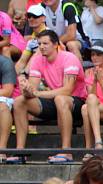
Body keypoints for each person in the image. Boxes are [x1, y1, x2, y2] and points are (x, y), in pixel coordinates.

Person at [10, 30, 87, 164]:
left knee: (61, 99)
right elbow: (32, 90)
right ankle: (20, 151)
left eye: (45, 43)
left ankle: (66, 151)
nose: (41, 47)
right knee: (19, 102)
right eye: (39, 44)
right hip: (54, 100)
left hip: (77, 102)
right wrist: (26, 88)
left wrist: (38, 93)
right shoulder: (38, 59)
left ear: (55, 44)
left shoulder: (69, 58)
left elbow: (67, 90)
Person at [0, 55, 16, 164]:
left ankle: (1, 149)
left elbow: (7, 91)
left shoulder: (5, 62)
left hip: (3, 98)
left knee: (2, 107)